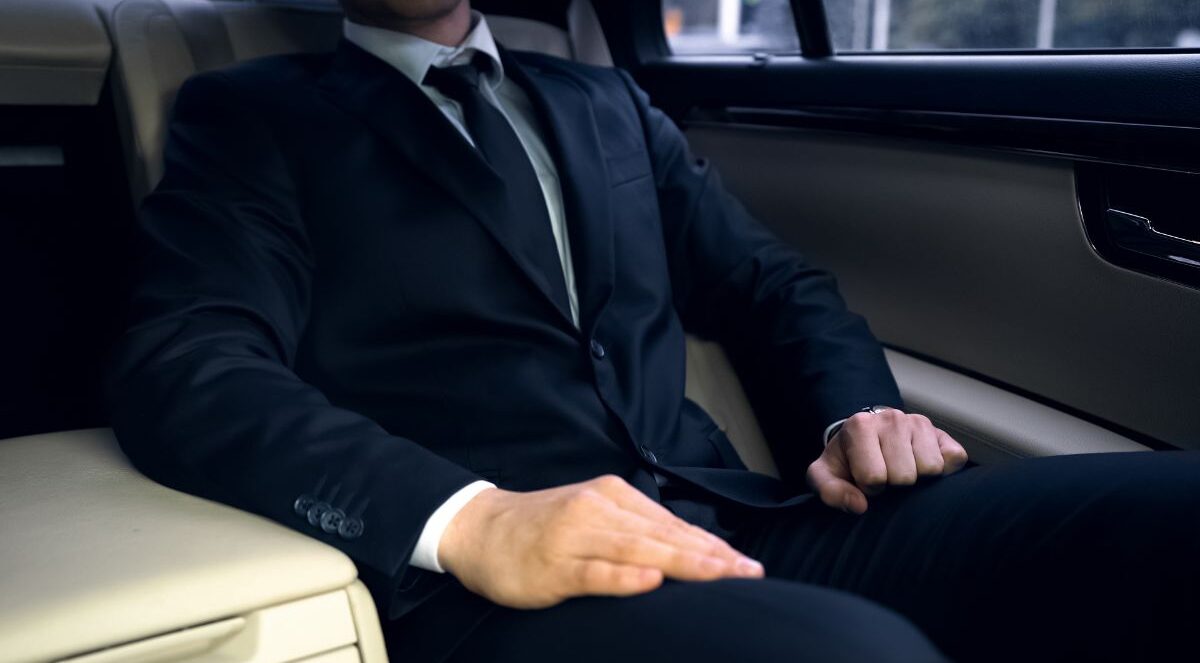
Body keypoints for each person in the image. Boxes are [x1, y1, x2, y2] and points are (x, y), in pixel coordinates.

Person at [106, 1, 1200, 661]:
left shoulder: (607, 100)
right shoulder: (251, 116)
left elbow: (770, 284)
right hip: (511, 580)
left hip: (745, 511)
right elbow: (190, 362)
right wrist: (470, 522)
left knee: (1167, 515)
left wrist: (853, 410)